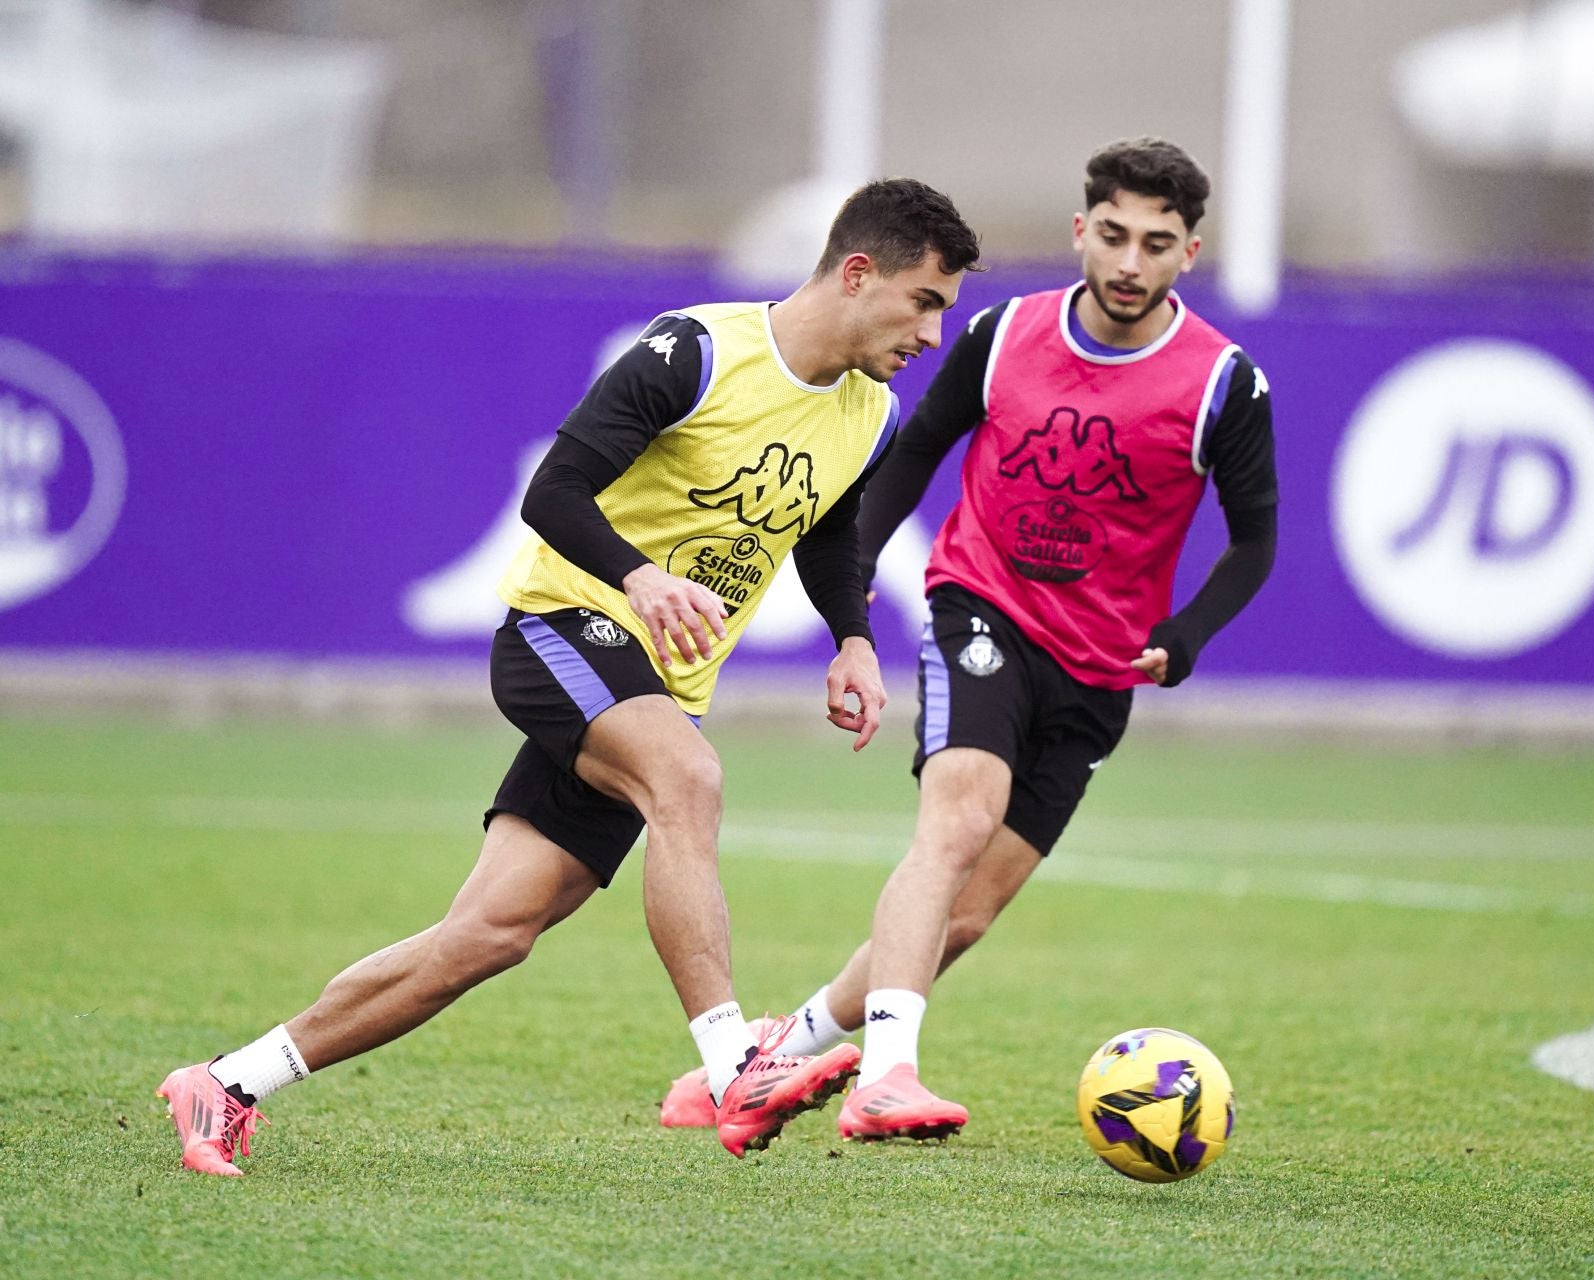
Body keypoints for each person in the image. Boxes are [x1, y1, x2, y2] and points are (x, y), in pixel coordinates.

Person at [156, 179, 983, 1174]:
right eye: (926, 301)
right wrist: (642, 575)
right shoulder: (699, 351)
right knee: (690, 778)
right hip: (562, 627)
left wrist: (852, 633)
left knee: (489, 932)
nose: (934, 333)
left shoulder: (870, 411)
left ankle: (229, 1082)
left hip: (655, 685)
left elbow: (830, 529)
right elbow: (556, 489)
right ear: (859, 273)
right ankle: (735, 1065)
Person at [659, 138, 1276, 1140]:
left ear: (1188, 255)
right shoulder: (1003, 334)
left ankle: (789, 1047)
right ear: (1082, 230)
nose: (1129, 261)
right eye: (1112, 234)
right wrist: (849, 609)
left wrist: (1189, 632)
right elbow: (899, 474)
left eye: (1155, 243)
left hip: (1101, 667)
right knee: (956, 819)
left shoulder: (1222, 383)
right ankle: (889, 1075)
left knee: (970, 911)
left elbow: (1255, 541)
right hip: (979, 608)